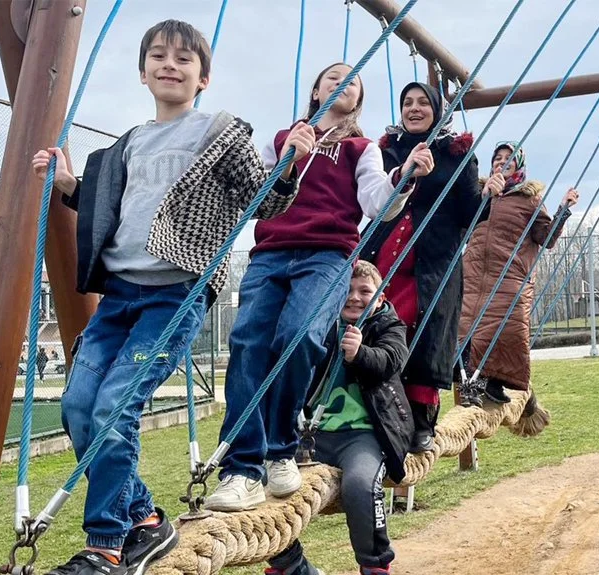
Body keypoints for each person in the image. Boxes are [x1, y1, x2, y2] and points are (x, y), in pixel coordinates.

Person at [31, 20, 297, 575]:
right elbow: (112, 211)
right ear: (143, 71)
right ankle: (147, 520)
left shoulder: (219, 132)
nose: (169, 65)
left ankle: (106, 544)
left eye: (183, 59)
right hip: (120, 293)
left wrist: (290, 161)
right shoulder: (128, 142)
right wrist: (66, 185)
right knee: (79, 407)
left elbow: (262, 203)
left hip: (175, 293)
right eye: (158, 56)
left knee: (112, 408)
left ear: (203, 77)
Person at [206, 63, 434, 512]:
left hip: (328, 255)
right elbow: (257, 200)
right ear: (316, 90)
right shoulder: (282, 139)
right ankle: (241, 468)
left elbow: (377, 203)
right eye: (334, 77)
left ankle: (280, 447)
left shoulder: (360, 149)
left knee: (299, 335)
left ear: (358, 101)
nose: (342, 84)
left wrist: (402, 177)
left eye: (353, 82)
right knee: (249, 341)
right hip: (271, 252)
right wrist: (289, 156)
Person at [267, 261, 411, 575]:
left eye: (365, 291)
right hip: (312, 434)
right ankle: (289, 563)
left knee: (360, 484)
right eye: (347, 290)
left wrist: (360, 354)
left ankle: (374, 564)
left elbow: (391, 360)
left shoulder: (388, 326)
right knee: (269, 485)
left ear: (381, 298)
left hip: (363, 435)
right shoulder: (321, 325)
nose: (355, 297)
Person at [362, 81, 482, 452]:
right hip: (387, 252)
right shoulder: (386, 151)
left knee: (428, 331)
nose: (414, 109)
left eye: (422, 103)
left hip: (434, 258)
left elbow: (470, 212)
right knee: (384, 324)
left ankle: (420, 419)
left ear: (436, 108)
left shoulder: (456, 152)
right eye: (407, 103)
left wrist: (488, 196)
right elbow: (371, 196)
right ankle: (379, 412)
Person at [459, 142, 578, 404]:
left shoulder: (529, 199)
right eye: (497, 158)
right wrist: (485, 196)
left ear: (519, 165)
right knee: (469, 328)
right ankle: (472, 387)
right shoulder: (480, 193)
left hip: (509, 275)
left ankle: (494, 383)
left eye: (509, 158)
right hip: (475, 272)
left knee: (506, 330)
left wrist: (563, 210)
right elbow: (463, 224)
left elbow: (545, 237)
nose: (502, 162)